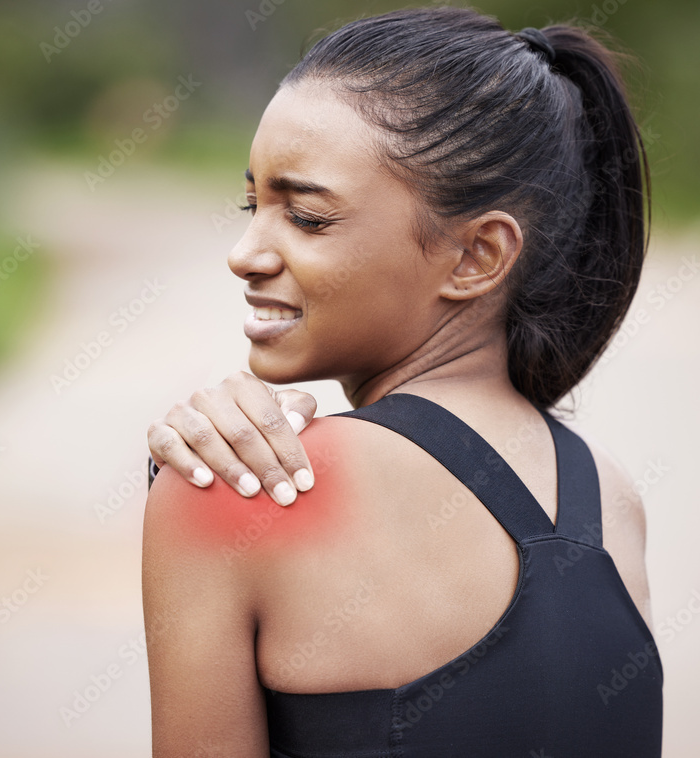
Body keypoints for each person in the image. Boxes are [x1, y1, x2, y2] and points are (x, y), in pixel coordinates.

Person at [142, 7, 662, 757]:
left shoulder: (239, 487)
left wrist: (184, 491)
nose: (245, 252)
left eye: (309, 217)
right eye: (253, 205)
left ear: (477, 256)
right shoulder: (611, 502)